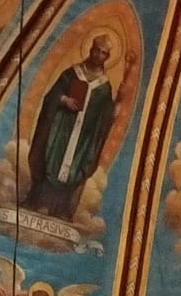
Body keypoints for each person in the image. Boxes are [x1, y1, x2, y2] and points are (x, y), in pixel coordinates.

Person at [25, 35, 118, 221]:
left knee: (75, 167)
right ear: (90, 50)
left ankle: (61, 210)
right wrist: (63, 99)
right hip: (61, 128)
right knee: (51, 158)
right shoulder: (72, 73)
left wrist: (113, 112)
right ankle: (37, 202)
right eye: (96, 50)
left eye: (103, 53)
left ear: (107, 57)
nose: (98, 55)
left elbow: (105, 116)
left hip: (83, 136)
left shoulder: (105, 86)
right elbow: (51, 96)